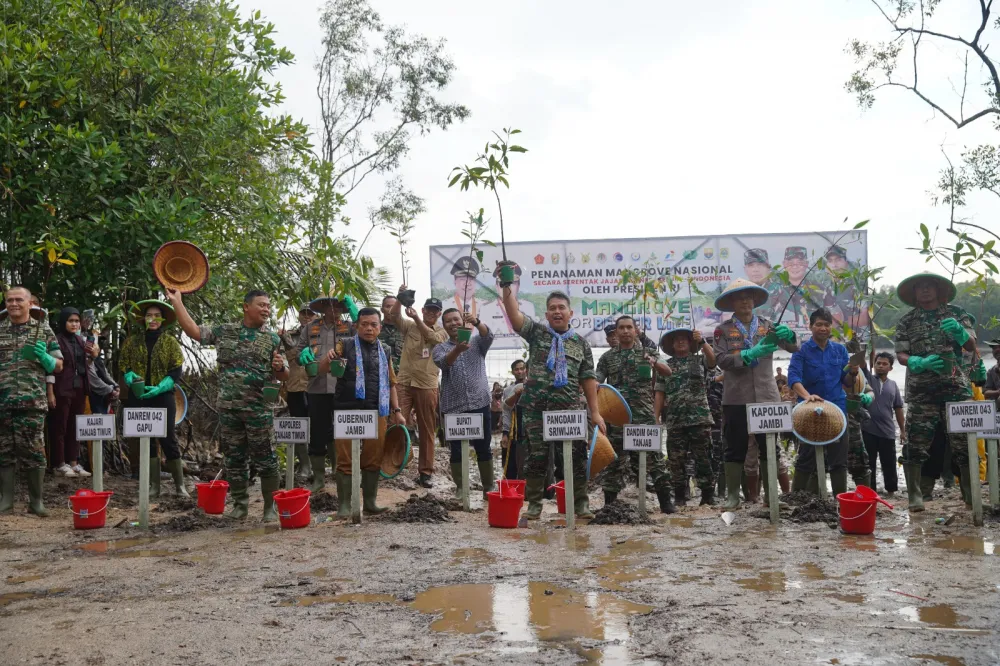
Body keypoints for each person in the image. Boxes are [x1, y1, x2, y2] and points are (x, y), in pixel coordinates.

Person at [167, 288, 288, 521]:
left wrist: (280, 367)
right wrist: (177, 302)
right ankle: (240, 505)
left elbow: (284, 375)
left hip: (259, 410)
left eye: (268, 306)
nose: (266, 309)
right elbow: (194, 331)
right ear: (246, 307)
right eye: (261, 305)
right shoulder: (225, 331)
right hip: (229, 409)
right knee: (234, 459)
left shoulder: (272, 339)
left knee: (267, 458)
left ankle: (269, 508)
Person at [501, 282, 606, 520]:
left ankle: (580, 504)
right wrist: (506, 285)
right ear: (547, 314)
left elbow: (588, 379)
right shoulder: (537, 333)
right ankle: (534, 505)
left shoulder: (581, 343)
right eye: (552, 308)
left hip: (569, 411)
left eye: (561, 308)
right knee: (536, 458)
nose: (557, 312)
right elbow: (514, 316)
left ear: (570, 313)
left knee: (575, 458)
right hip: (536, 410)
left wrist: (595, 412)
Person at [893, 273, 977, 512]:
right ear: (914, 293)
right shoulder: (907, 321)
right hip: (922, 392)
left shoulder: (956, 314)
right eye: (920, 287)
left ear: (939, 290)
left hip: (956, 390)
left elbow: (971, 345)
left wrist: (960, 332)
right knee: (916, 444)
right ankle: (916, 496)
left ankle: (970, 494)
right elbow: (901, 354)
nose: (925, 290)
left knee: (964, 444)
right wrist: (916, 361)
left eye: (929, 286)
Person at [713, 278, 798, 510]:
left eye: (748, 297)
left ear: (754, 301)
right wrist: (748, 354)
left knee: (770, 446)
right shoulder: (722, 330)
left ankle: (771, 497)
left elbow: (793, 348)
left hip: (767, 396)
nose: (744, 301)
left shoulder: (768, 326)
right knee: (735, 447)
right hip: (736, 397)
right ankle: (733, 497)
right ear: (731, 302)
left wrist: (790, 335)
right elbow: (720, 360)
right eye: (739, 298)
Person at [330, 307, 405, 518]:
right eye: (364, 324)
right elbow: (327, 368)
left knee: (374, 456)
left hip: (376, 410)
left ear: (380, 327)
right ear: (356, 326)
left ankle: (370, 503)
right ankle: (344, 505)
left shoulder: (385, 350)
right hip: (347, 409)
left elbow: (391, 383)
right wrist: (330, 358)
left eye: (373, 325)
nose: (369, 329)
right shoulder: (344, 345)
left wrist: (397, 411)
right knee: (345, 458)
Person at [599, 316, 675, 512]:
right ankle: (609, 505)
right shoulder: (607, 358)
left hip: (644, 416)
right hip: (617, 418)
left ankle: (666, 504)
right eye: (621, 328)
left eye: (629, 327)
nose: (625, 331)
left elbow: (667, 371)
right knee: (614, 460)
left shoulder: (648, 352)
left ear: (635, 330)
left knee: (655, 459)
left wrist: (653, 362)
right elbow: (597, 381)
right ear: (616, 332)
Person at [0, 287, 62, 516]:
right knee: (3, 452)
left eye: (19, 299)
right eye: (9, 300)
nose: (13, 304)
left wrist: (45, 358)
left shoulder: (42, 329)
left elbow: (59, 365)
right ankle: (6, 501)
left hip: (32, 401)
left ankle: (36, 502)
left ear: (30, 304)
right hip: (3, 402)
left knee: (34, 452)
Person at [787, 308, 860, 497]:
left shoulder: (840, 350)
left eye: (827, 325)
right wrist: (807, 396)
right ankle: (796, 498)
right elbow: (793, 378)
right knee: (806, 456)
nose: (823, 328)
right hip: (809, 410)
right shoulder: (801, 350)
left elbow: (846, 382)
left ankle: (840, 500)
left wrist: (853, 373)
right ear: (811, 326)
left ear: (831, 327)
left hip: (837, 409)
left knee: (839, 459)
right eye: (819, 324)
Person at [120, 300, 188, 497]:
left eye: (157, 316)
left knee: (168, 438)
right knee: (146, 440)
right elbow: (124, 365)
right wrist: (130, 377)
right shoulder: (132, 342)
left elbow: (176, 370)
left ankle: (180, 486)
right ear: (143, 319)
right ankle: (153, 486)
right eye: (149, 315)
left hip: (163, 396)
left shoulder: (170, 343)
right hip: (138, 396)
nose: (153, 319)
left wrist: (161, 387)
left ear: (163, 319)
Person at [433, 310, 495, 500]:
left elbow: (488, 335)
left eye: (456, 319)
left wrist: (476, 321)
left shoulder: (477, 342)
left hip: (480, 402)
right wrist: (458, 349)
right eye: (448, 321)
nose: (453, 323)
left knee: (484, 447)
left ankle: (488, 487)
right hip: (454, 406)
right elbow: (444, 363)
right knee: (457, 449)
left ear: (462, 321)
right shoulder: (440, 348)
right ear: (444, 325)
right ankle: (461, 487)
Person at [390, 290, 448, 488]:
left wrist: (416, 318)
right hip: (404, 381)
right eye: (428, 309)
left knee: (427, 429)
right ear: (422, 310)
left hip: (427, 384)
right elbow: (394, 316)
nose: (431, 313)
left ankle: (425, 472)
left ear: (439, 313)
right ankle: (393, 463)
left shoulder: (442, 332)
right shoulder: (409, 326)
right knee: (395, 423)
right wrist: (400, 299)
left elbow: (432, 338)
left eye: (435, 310)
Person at [294, 296, 351, 492]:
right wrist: (302, 356)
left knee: (341, 430)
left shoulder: (349, 327)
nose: (336, 309)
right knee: (317, 432)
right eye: (332, 305)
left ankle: (339, 470)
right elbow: (298, 353)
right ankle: (318, 478)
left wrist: (355, 313)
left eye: (340, 306)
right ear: (324, 307)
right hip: (316, 386)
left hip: (342, 387)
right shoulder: (310, 328)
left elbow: (365, 337)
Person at [656, 327, 716, 506]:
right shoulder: (665, 366)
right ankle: (680, 496)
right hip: (675, 420)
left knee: (704, 458)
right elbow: (659, 392)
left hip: (700, 418)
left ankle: (707, 495)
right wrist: (655, 417)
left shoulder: (699, 360)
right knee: (676, 460)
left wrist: (703, 342)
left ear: (690, 343)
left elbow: (713, 360)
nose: (681, 341)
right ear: (672, 345)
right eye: (677, 340)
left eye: (684, 339)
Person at [49, 308, 94, 478]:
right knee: (60, 426)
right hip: (62, 388)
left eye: (76, 321)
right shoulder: (56, 340)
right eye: (70, 321)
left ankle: (74, 463)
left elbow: (84, 365)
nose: (74, 324)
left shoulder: (80, 340)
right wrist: (50, 392)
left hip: (79, 388)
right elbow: (50, 368)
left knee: (76, 425)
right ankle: (60, 463)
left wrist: (93, 355)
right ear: (63, 322)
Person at [862, 352, 905, 497]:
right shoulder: (868, 380)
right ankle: (871, 492)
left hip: (888, 430)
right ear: (874, 365)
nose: (881, 366)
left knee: (889, 462)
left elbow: (898, 408)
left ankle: (891, 491)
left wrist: (903, 431)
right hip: (868, 429)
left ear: (890, 368)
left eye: (884, 364)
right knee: (869, 463)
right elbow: (862, 365)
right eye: (878, 363)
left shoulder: (893, 385)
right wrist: (864, 349)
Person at [769, 246, 842, 327]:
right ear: (784, 264)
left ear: (806, 264)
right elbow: (763, 321)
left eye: (800, 262)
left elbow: (837, 319)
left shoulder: (820, 290)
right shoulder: (773, 291)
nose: (795, 266)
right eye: (790, 263)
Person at [280, 306, 313, 478]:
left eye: (310, 313)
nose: (307, 316)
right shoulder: (288, 336)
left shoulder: (322, 334)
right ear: (299, 315)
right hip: (295, 387)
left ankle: (321, 465)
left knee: (320, 426)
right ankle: (305, 466)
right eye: (303, 313)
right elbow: (279, 361)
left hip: (317, 387)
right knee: (299, 427)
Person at [479, 262, 536, 337]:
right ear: (496, 286)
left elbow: (532, 334)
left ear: (518, 285)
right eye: (502, 283)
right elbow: (483, 337)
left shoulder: (528, 306)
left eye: (512, 283)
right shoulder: (486, 309)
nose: (508, 287)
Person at [80, 309, 118, 415]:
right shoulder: (81, 342)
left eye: (91, 319)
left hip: (103, 393)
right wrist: (110, 390)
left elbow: (104, 372)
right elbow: (92, 377)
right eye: (86, 319)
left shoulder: (96, 354)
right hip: (91, 395)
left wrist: (115, 385)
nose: (89, 321)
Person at [501, 360, 528, 480]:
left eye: (522, 368)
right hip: (515, 431)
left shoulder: (534, 386)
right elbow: (506, 411)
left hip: (531, 429)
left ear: (526, 370)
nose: (520, 371)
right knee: (511, 463)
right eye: (517, 369)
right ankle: (512, 487)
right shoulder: (508, 390)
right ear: (512, 372)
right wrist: (505, 433)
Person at [378, 296, 405, 373]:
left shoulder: (405, 328)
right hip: (380, 373)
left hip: (401, 374)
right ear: (382, 310)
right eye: (388, 306)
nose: (391, 309)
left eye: (394, 306)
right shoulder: (376, 329)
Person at [984, 339, 1000, 408]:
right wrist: (998, 392)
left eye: (999, 347)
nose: (996, 350)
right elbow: (986, 392)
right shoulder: (991, 371)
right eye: (994, 348)